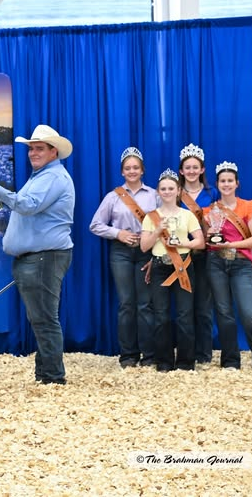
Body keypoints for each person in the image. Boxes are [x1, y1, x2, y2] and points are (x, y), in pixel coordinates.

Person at [0, 124, 74, 385]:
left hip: (45, 256)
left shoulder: (52, 178)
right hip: (38, 257)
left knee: (44, 319)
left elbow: (28, 206)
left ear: (54, 152)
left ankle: (53, 378)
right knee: (41, 318)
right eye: (31, 148)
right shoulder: (42, 176)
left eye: (39, 148)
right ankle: (45, 375)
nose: (33, 153)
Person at [90, 147, 158, 368]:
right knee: (127, 304)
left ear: (142, 170)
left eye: (135, 167)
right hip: (120, 252)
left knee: (145, 304)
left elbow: (163, 225)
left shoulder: (154, 195)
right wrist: (118, 233)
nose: (132, 171)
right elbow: (95, 225)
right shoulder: (113, 196)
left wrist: (154, 253)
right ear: (122, 172)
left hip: (146, 251)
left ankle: (149, 355)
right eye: (128, 168)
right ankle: (128, 355)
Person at [204, 162, 252, 372]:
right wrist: (211, 237)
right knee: (224, 313)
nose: (226, 184)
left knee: (248, 314)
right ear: (217, 184)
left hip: (241, 263)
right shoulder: (210, 211)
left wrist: (232, 244)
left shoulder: (247, 207)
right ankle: (230, 360)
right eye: (222, 181)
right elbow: (209, 239)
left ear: (237, 184)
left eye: (230, 181)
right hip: (216, 262)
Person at [140, 169, 204, 372]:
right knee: (161, 315)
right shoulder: (151, 217)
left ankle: (186, 363)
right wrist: (158, 231)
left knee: (185, 314)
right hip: (160, 266)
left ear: (178, 191)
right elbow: (144, 246)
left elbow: (201, 242)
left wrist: (183, 242)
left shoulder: (188, 215)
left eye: (171, 188)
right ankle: (164, 362)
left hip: (183, 265)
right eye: (163, 189)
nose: (167, 192)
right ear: (158, 192)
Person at [178, 143, 220, 365]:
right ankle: (186, 352)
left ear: (202, 170)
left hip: (204, 255)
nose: (192, 171)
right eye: (188, 167)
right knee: (184, 308)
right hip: (181, 255)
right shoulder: (175, 193)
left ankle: (204, 353)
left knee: (203, 306)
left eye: (196, 167)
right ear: (181, 171)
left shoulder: (212, 193)